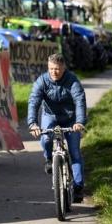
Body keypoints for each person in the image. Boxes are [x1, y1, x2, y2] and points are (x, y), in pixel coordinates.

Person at [27, 53, 87, 203]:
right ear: (48, 68)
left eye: (57, 69)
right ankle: (48, 159)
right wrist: (33, 123)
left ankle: (78, 187)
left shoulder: (72, 80)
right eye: (51, 69)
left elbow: (80, 101)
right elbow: (33, 102)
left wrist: (79, 122)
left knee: (74, 152)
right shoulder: (42, 81)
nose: (54, 72)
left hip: (70, 118)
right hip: (50, 116)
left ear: (64, 68)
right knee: (46, 138)